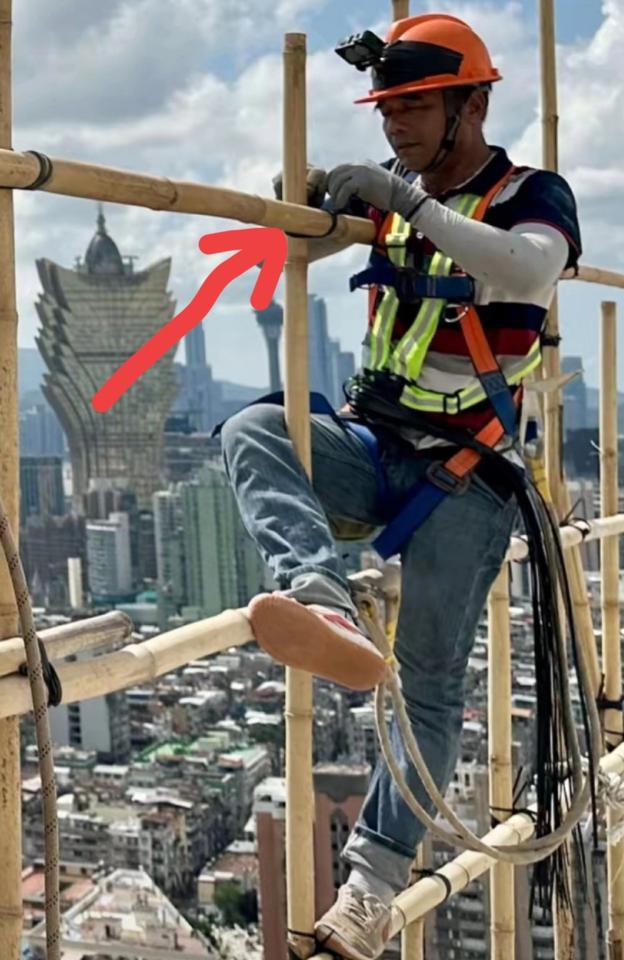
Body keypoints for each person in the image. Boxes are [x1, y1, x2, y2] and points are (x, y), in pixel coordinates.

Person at [216, 13, 581, 960]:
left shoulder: (529, 195)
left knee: (428, 680)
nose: (398, 126)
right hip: (374, 445)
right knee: (253, 426)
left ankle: (369, 894)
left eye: (416, 105)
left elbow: (528, 270)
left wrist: (402, 203)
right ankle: (321, 593)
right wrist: (316, 205)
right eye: (388, 109)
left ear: (474, 102)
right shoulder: (401, 199)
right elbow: (305, 244)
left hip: (468, 474)